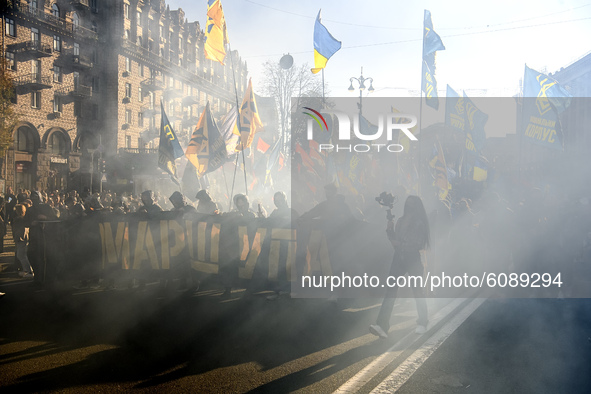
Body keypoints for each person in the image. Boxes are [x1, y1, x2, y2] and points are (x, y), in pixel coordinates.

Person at [370, 195, 431, 339]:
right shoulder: (400, 220)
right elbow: (394, 239)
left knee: (417, 291)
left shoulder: (419, 223)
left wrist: (399, 244)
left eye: (412, 205)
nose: (409, 207)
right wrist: (389, 230)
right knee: (390, 290)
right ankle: (382, 325)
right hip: (399, 258)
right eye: (407, 204)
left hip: (413, 259)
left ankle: (423, 321)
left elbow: (418, 243)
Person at [13, 204, 33, 278]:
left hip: (21, 239)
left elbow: (20, 230)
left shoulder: (19, 219)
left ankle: (29, 271)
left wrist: (18, 237)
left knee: (21, 255)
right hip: (22, 238)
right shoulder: (23, 219)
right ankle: (26, 270)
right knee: (22, 255)